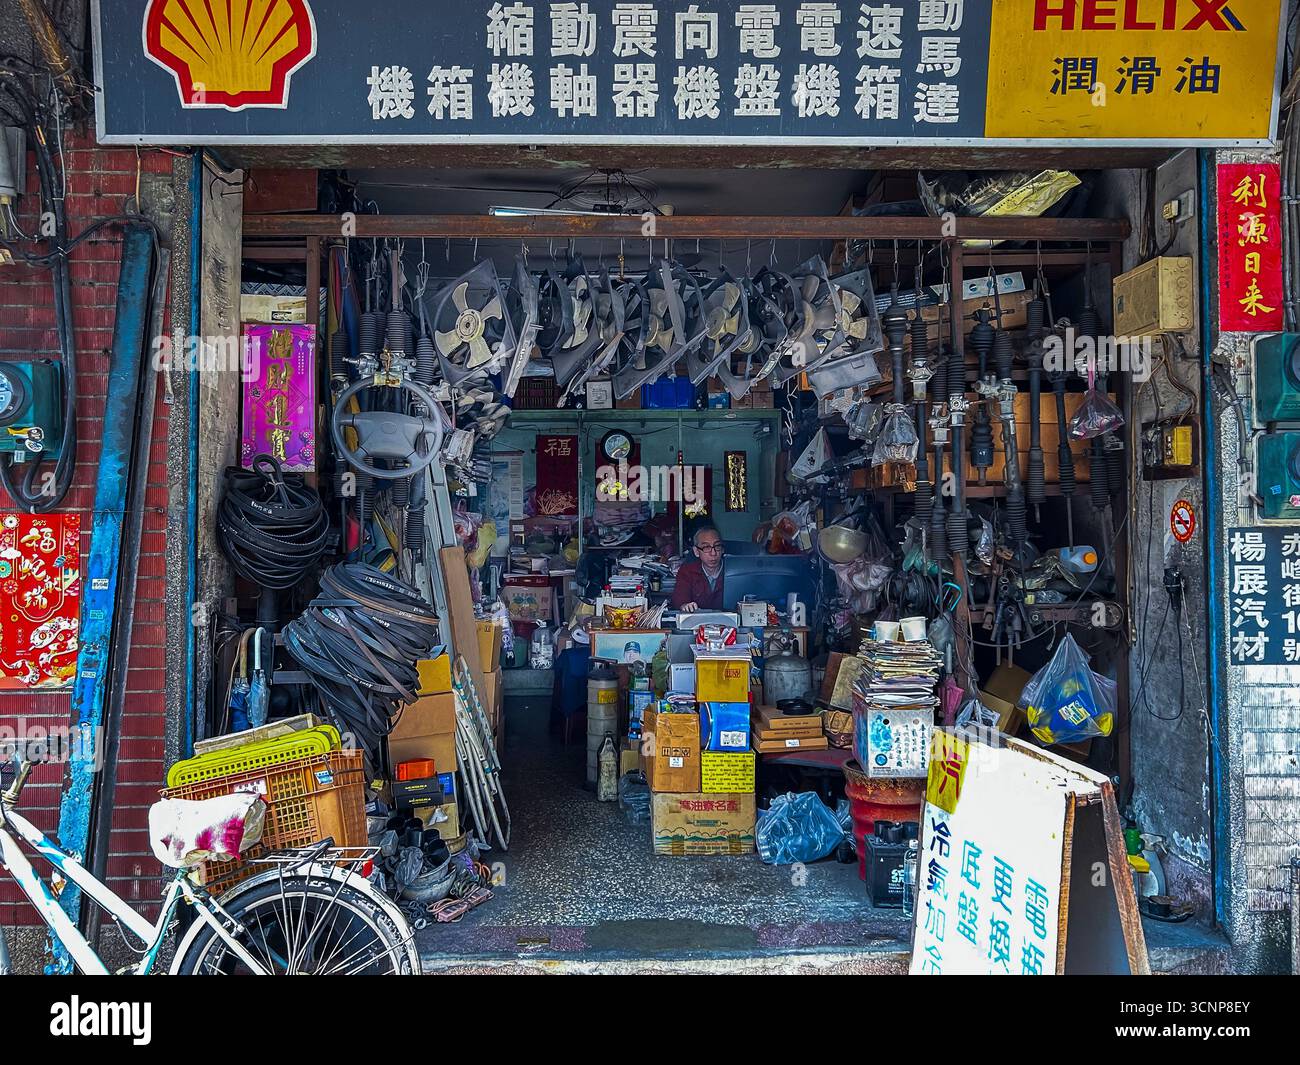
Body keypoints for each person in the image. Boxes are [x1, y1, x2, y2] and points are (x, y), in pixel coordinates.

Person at [670, 525, 725, 612]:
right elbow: (679, 600)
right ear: (696, 552)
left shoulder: (736, 571)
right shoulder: (687, 571)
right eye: (706, 547)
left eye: (717, 546)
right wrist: (685, 606)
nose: (713, 553)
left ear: (722, 549)